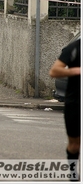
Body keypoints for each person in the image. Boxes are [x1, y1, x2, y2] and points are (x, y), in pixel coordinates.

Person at [49, 38, 81, 178]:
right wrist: (76, 71)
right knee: (74, 145)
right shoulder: (75, 48)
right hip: (75, 102)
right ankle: (73, 173)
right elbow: (54, 71)